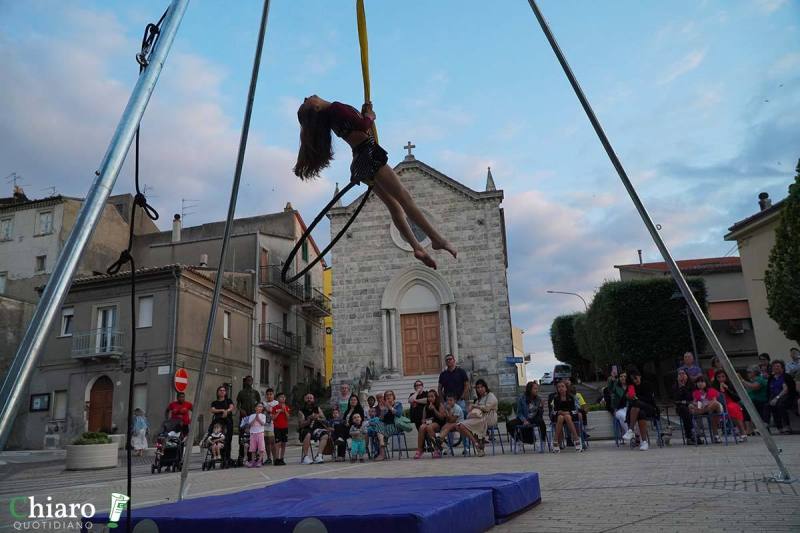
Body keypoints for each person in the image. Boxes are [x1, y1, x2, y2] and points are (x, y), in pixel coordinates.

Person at [293, 96, 456, 269]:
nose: (305, 98)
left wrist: (364, 114)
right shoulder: (335, 109)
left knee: (395, 207)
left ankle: (417, 248)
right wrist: (370, 116)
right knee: (405, 198)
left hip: (360, 162)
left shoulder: (332, 117)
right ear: (316, 108)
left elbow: (356, 125)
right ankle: (437, 239)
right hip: (369, 156)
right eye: (305, 103)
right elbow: (363, 126)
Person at [456, 379, 498, 457]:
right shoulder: (478, 399)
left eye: (481, 387)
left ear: (485, 387)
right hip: (478, 418)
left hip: (488, 417)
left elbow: (487, 408)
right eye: (478, 388)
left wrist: (474, 406)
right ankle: (477, 444)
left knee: (462, 425)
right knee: (459, 426)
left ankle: (478, 445)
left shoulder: (490, 396)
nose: (479, 389)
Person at [623, 369, 657, 450]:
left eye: (636, 378)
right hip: (638, 410)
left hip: (649, 407)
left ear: (640, 376)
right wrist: (628, 396)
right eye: (633, 379)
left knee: (636, 403)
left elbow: (649, 399)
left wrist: (636, 398)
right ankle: (644, 442)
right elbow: (628, 399)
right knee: (641, 413)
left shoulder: (647, 384)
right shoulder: (631, 386)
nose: (635, 380)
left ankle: (630, 430)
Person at [507, 381, 547, 447]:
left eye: (537, 388)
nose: (537, 390)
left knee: (541, 422)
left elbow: (540, 415)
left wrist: (541, 407)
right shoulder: (522, 398)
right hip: (523, 417)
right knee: (509, 424)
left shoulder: (538, 399)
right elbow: (519, 413)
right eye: (535, 389)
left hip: (533, 418)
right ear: (530, 389)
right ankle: (518, 441)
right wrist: (524, 420)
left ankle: (543, 441)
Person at [712, 370, 747, 442]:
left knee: (732, 408)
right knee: (714, 412)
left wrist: (727, 389)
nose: (721, 379)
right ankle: (716, 435)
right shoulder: (713, 386)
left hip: (730, 402)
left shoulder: (730, 385)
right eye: (718, 377)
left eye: (723, 376)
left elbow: (736, 398)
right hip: (718, 403)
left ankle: (742, 433)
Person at [550, 380, 581, 453]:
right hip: (558, 416)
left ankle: (576, 438)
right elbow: (554, 411)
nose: (561, 388)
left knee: (567, 416)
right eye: (559, 387)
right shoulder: (556, 398)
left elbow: (574, 410)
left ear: (566, 388)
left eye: (562, 386)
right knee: (561, 417)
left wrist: (568, 412)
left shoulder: (571, 397)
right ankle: (556, 440)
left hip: (571, 415)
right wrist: (559, 412)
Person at [690, 375, 723, 443]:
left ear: (706, 383)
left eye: (702, 381)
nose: (700, 383)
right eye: (698, 382)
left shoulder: (711, 390)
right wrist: (695, 404)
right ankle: (714, 436)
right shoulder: (695, 392)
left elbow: (714, 401)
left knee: (715, 404)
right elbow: (696, 403)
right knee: (690, 406)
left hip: (715, 408)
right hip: (704, 409)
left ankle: (701, 412)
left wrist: (705, 406)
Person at [299, 393, 331, 464]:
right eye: (308, 398)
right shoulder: (301, 411)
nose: (309, 400)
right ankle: (305, 457)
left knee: (325, 435)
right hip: (306, 429)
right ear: (305, 399)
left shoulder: (317, 408)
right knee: (307, 434)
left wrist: (318, 417)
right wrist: (309, 419)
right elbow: (301, 425)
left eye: (311, 398)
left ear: (313, 400)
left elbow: (324, 419)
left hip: (316, 429)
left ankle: (319, 455)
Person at [371, 390, 403, 461]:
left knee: (380, 432)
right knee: (379, 424)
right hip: (385, 426)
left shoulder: (398, 404)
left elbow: (399, 414)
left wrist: (390, 407)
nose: (388, 396)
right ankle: (382, 443)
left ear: (393, 396)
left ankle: (382, 454)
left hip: (395, 426)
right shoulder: (384, 407)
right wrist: (383, 411)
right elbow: (381, 419)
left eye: (390, 395)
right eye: (386, 396)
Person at [414, 390, 447, 459]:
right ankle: (420, 449)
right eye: (428, 397)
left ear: (436, 397)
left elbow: (442, 417)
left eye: (432, 396)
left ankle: (437, 449)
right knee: (422, 427)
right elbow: (423, 420)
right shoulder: (425, 407)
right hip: (429, 423)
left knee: (429, 427)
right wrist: (425, 421)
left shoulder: (439, 405)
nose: (430, 398)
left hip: (439, 423)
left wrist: (434, 409)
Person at [768, 360, 797, 434]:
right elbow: (769, 390)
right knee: (768, 405)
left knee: (780, 404)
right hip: (774, 396)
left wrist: (776, 398)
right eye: (774, 366)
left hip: (787, 396)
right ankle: (778, 427)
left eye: (778, 366)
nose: (776, 368)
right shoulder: (771, 378)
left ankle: (787, 426)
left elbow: (786, 390)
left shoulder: (786, 376)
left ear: (782, 368)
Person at [210, 385, 235, 467]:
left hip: (228, 423)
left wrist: (226, 411)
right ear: (217, 392)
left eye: (224, 390)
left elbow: (231, 407)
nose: (222, 391)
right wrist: (221, 410)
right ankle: (215, 455)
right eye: (220, 390)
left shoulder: (228, 401)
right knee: (215, 438)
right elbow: (212, 410)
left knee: (228, 440)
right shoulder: (215, 402)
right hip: (217, 423)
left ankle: (227, 457)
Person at [741, 365, 769, 432]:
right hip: (754, 400)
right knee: (742, 404)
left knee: (745, 405)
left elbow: (754, 387)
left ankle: (749, 428)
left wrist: (742, 381)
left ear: (755, 372)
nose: (747, 373)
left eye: (749, 372)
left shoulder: (759, 379)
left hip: (761, 400)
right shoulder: (752, 380)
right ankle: (747, 428)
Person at [672, 369, 695, 445]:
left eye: (683, 373)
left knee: (688, 411)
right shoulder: (675, 387)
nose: (682, 375)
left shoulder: (691, 385)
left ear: (687, 375)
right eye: (680, 374)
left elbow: (690, 397)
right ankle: (690, 434)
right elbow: (676, 399)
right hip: (681, 407)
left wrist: (684, 387)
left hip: (691, 405)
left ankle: (691, 434)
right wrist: (681, 387)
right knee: (685, 411)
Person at [244, 403, 268, 467]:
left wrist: (258, 417)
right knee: (253, 448)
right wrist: (255, 417)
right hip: (253, 434)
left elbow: (262, 423)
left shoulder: (263, 416)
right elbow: (250, 424)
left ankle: (259, 461)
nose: (259, 408)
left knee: (261, 448)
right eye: (258, 406)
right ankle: (253, 461)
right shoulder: (252, 416)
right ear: (255, 408)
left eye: (261, 407)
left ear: (262, 408)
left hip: (260, 433)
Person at [271, 392, 290, 466]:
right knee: (278, 443)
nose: (283, 398)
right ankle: (276, 459)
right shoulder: (275, 408)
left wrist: (284, 410)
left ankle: (282, 458)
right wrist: (278, 412)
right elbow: (273, 418)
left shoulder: (287, 407)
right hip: (277, 427)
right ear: (278, 399)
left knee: (284, 443)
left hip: (284, 427)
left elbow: (288, 418)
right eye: (281, 397)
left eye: (284, 397)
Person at [612, 372, 631, 441]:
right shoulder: (616, 387)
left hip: (630, 407)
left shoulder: (630, 386)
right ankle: (630, 432)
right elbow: (612, 397)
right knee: (624, 416)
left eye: (625, 376)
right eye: (621, 376)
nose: (623, 378)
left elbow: (632, 398)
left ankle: (632, 433)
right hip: (619, 409)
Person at [262, 388, 278, 465]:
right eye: (267, 394)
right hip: (264, 424)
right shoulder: (263, 403)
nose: (269, 396)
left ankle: (275, 458)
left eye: (271, 394)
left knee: (272, 442)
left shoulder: (276, 403)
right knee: (266, 442)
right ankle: (269, 458)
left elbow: (273, 411)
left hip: (272, 424)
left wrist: (268, 409)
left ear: (273, 395)